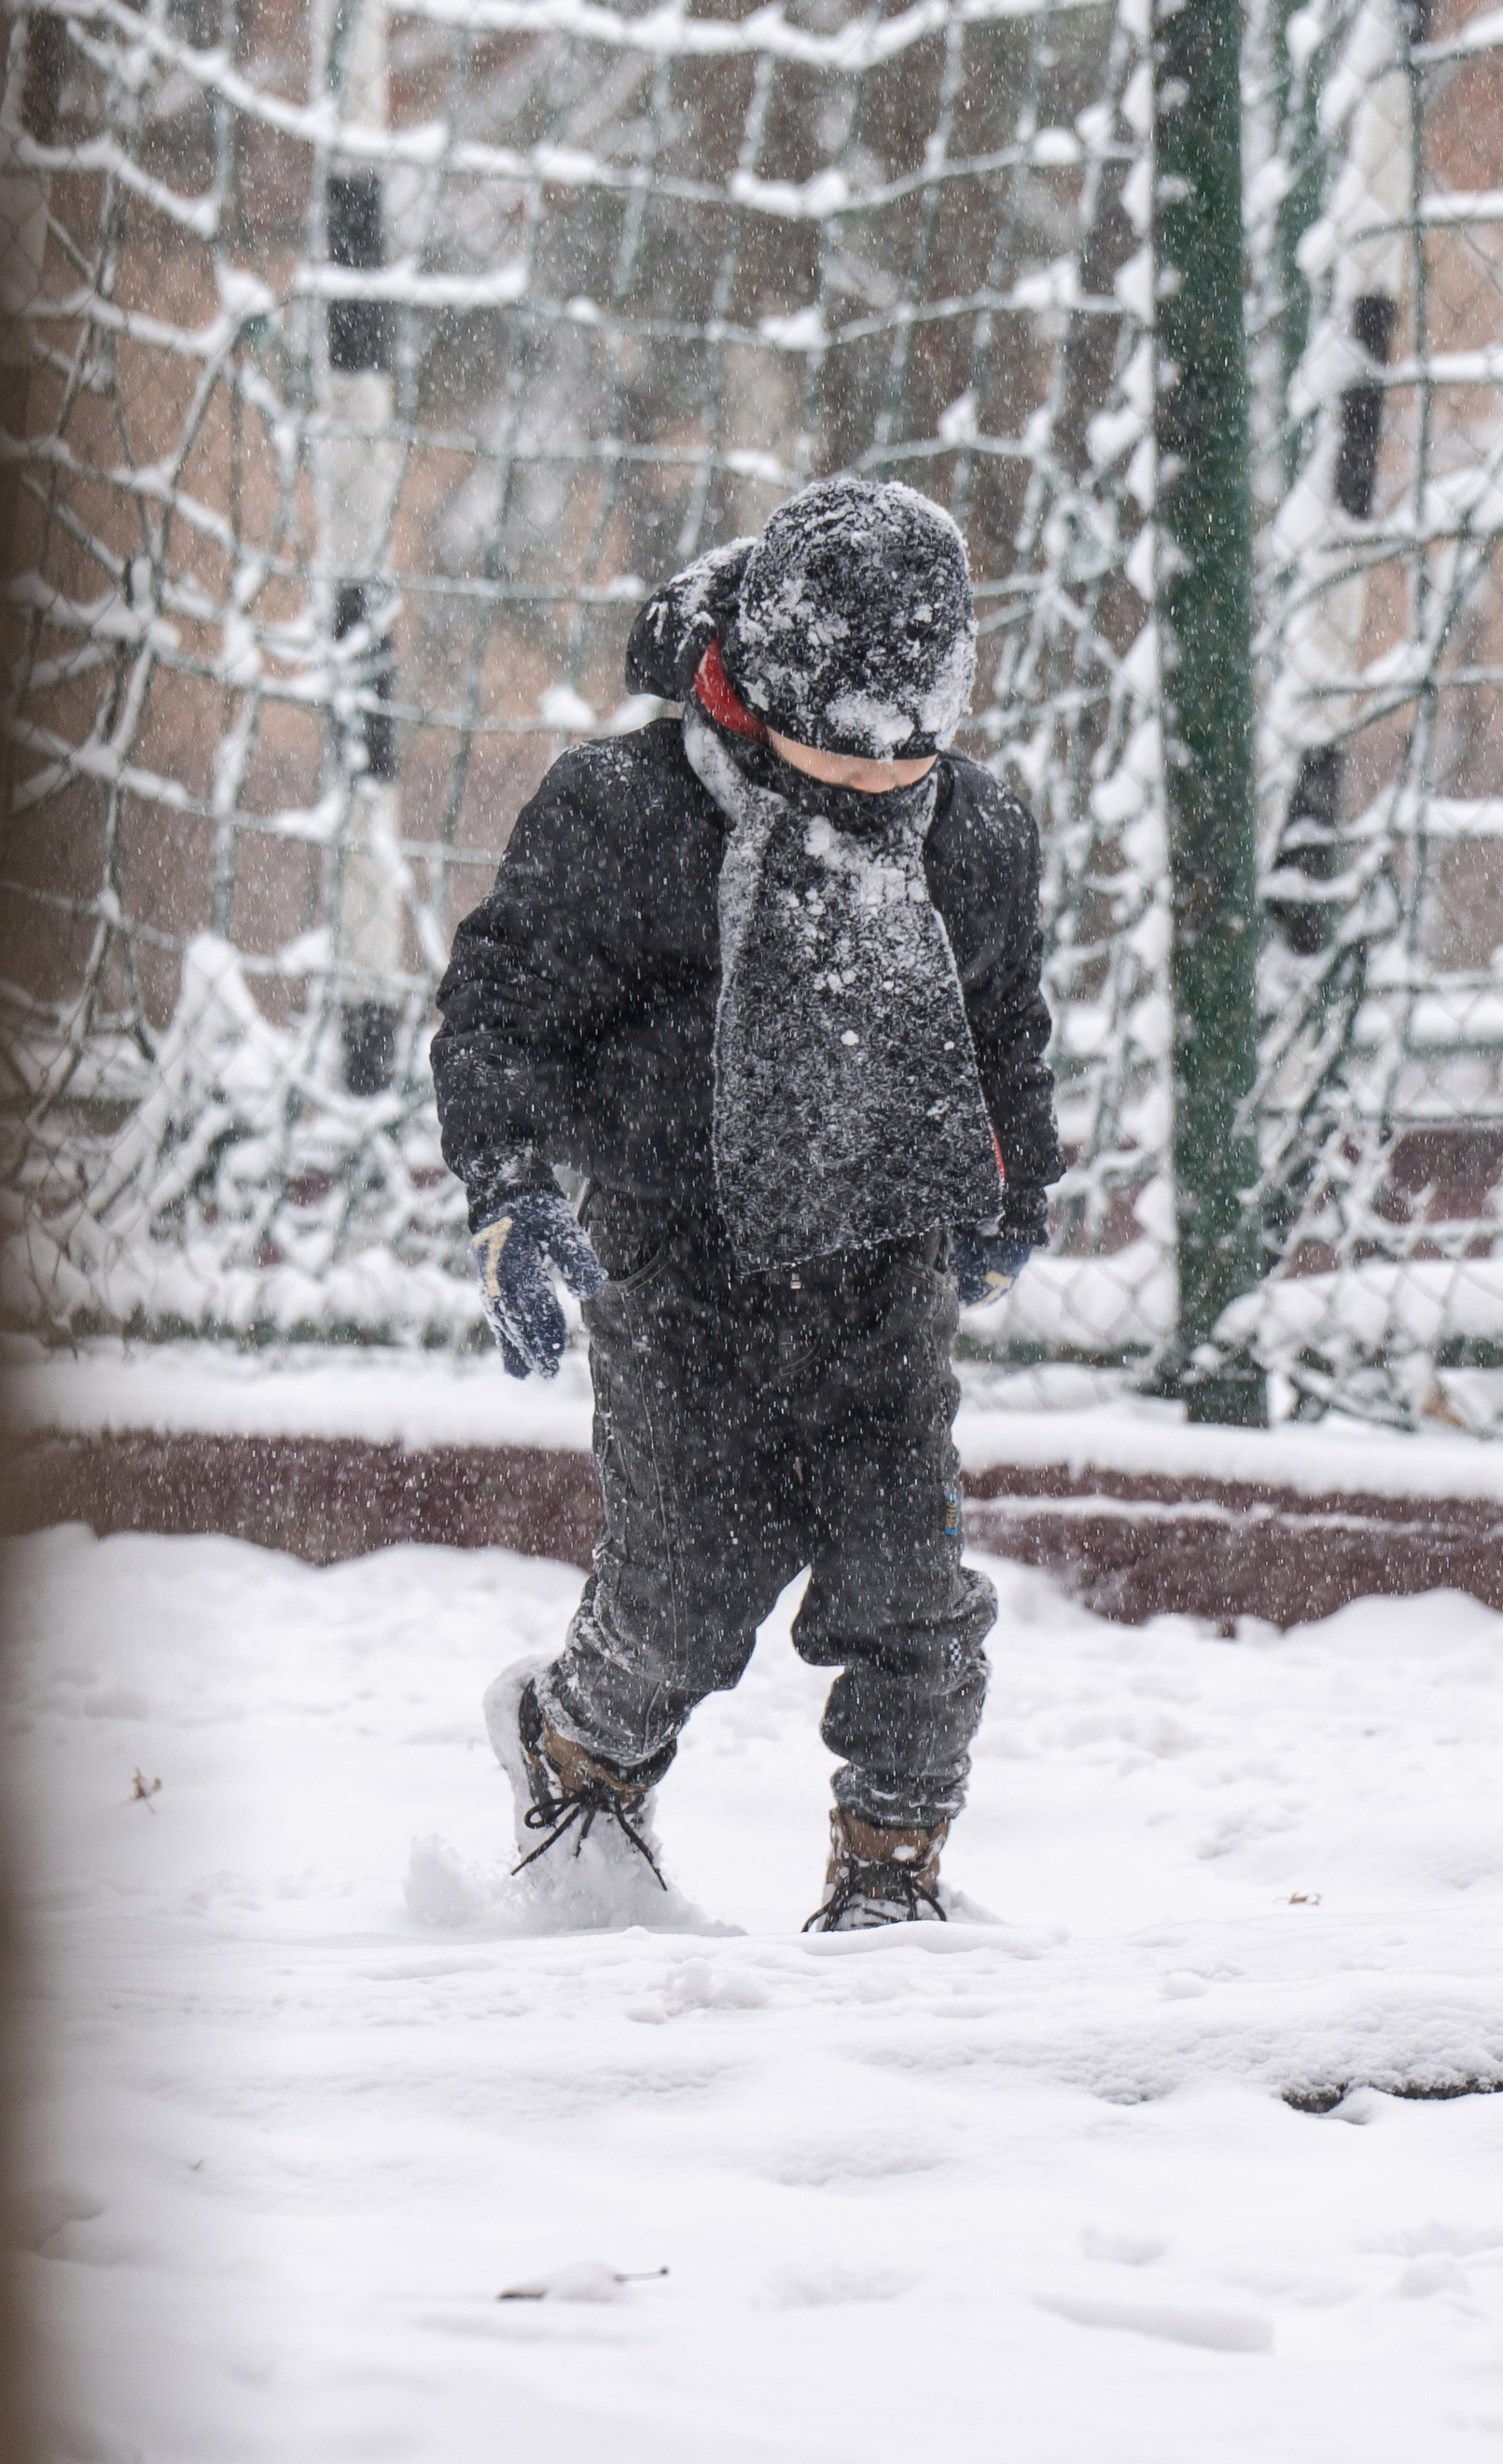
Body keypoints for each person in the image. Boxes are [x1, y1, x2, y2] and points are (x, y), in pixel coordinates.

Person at [431, 473, 1059, 1932]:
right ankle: (577, 1745)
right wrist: (513, 1190)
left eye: (898, 777)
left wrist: (1010, 1174)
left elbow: (1002, 1026)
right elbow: (501, 1014)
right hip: (676, 1254)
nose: (866, 801)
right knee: (681, 1599)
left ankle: (891, 1877)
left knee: (914, 1591)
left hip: (882, 1246)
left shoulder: (968, 834)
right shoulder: (625, 815)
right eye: (829, 770)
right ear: (750, 690)